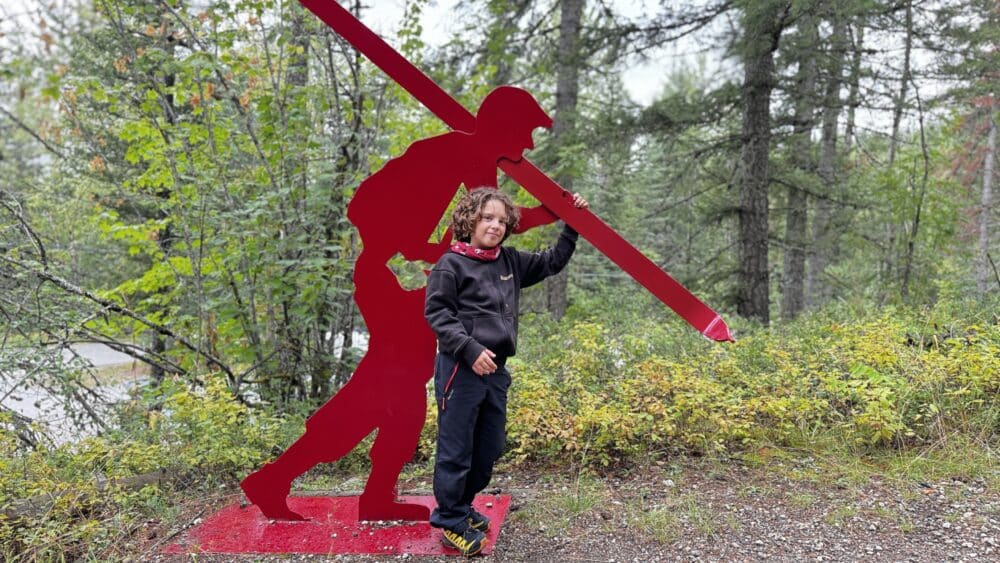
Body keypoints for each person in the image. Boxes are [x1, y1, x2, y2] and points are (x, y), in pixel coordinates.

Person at [240, 86, 562, 522]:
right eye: (525, 131)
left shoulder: (471, 159)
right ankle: (276, 478)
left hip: (400, 281)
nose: (528, 144)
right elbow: (473, 228)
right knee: (379, 392)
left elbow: (472, 228)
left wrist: (545, 214)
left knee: (402, 398)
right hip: (391, 283)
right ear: (502, 126)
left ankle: (370, 497)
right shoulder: (457, 155)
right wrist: (548, 212)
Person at [425, 188, 589, 555]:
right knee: (456, 449)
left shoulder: (509, 263)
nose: (495, 226)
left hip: (496, 370)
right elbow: (437, 315)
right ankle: (450, 519)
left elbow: (552, 261)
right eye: (487, 218)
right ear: (469, 221)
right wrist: (469, 349)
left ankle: (463, 504)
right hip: (460, 369)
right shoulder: (449, 265)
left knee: (489, 447)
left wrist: (572, 223)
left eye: (501, 220)